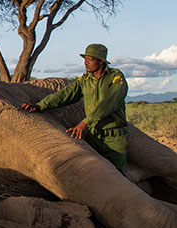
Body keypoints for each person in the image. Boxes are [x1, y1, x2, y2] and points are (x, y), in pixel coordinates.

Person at [20, 43, 129, 174]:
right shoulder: (85, 80)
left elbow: (108, 103)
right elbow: (65, 95)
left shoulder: (116, 77)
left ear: (101, 61)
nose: (86, 63)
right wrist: (40, 105)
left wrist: (84, 123)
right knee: (93, 175)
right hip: (93, 136)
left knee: (118, 178)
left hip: (113, 138)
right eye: (85, 59)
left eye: (90, 59)